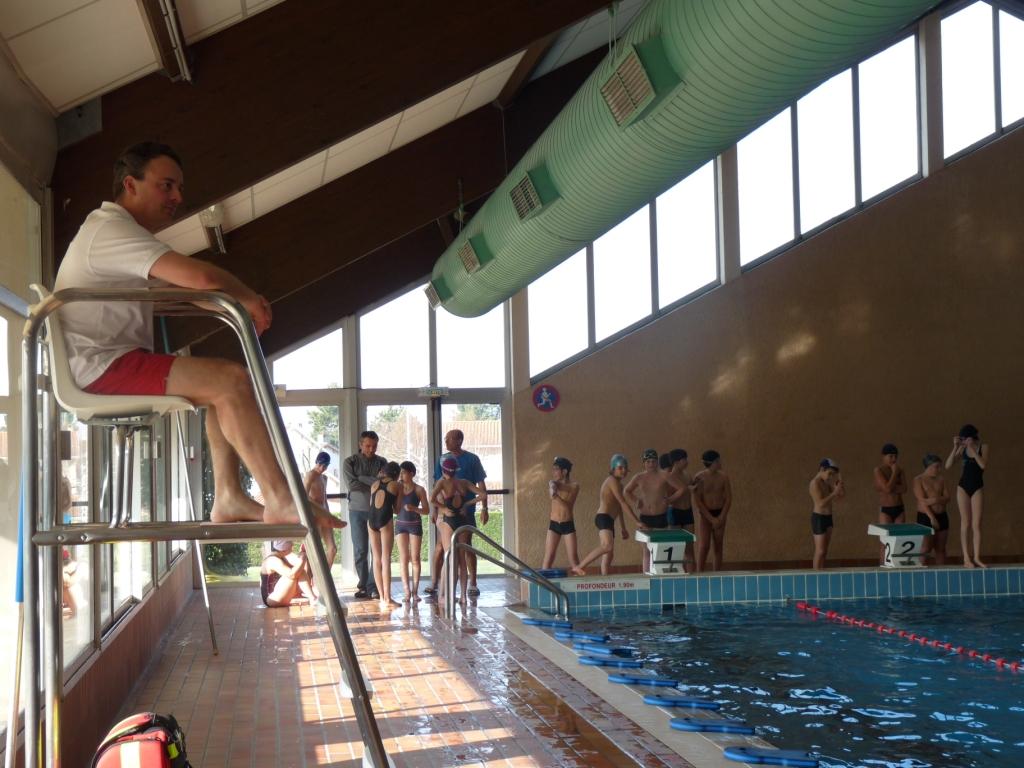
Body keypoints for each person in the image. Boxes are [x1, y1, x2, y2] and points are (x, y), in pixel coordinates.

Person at [54, 142, 343, 537]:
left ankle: (229, 494)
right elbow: (201, 278)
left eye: (179, 188)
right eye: (166, 185)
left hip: (107, 362)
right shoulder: (111, 229)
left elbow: (186, 291)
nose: (177, 197)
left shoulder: (119, 237)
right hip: (99, 368)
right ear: (130, 185)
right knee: (230, 380)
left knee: (225, 384)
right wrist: (246, 297)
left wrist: (235, 306)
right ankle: (279, 497)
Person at [426, 429, 488, 597]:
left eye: (449, 439)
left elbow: (482, 485)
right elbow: (436, 488)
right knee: (442, 548)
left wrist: (484, 508)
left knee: (465, 548)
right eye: (445, 439)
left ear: (459, 440)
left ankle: (471, 584)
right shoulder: (443, 459)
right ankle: (436, 583)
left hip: (463, 513)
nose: (445, 441)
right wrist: (436, 510)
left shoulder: (472, 459)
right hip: (448, 513)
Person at [624, 449, 687, 573]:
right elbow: (626, 491)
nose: (651, 464)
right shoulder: (639, 477)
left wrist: (670, 500)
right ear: (644, 463)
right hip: (645, 518)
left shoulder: (664, 475)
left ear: (657, 462)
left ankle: (659, 577)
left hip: (661, 517)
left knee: (659, 550)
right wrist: (635, 500)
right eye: (648, 462)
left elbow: (682, 488)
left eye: (653, 461)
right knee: (646, 551)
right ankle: (646, 578)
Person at [572, 454, 635, 576]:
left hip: (609, 520)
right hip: (603, 517)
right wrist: (636, 521)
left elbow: (619, 507)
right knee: (607, 546)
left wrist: (623, 528)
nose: (624, 471)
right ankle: (579, 567)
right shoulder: (611, 481)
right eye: (620, 468)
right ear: (613, 469)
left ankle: (606, 581)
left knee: (609, 555)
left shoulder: (619, 485)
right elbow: (623, 503)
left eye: (625, 468)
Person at [344, 431, 388, 599]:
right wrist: (373, 481)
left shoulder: (382, 462)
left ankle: (373, 586)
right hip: (356, 511)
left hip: (377, 511)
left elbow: (384, 484)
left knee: (377, 551)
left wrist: (362, 478)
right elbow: (352, 485)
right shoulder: (350, 462)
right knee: (360, 550)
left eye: (374, 446)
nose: (371, 449)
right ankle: (363, 585)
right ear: (360, 444)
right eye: (368, 446)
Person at [945, 423, 988, 568]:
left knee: (976, 524)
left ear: (972, 438)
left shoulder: (983, 447)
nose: (963, 441)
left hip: (977, 487)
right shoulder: (962, 449)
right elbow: (948, 465)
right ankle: (966, 558)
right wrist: (955, 447)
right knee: (965, 522)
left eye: (964, 439)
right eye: (961, 439)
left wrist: (973, 450)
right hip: (963, 487)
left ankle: (977, 557)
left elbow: (983, 465)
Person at [367, 462, 402, 609]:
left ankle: (381, 598)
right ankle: (387, 599)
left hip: (371, 521)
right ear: (397, 474)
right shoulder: (397, 485)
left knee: (376, 559)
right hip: (384, 519)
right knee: (385, 558)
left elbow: (371, 504)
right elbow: (397, 509)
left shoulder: (374, 484)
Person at [692, 450, 732, 572]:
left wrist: (722, 516)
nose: (720, 463)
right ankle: (700, 573)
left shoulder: (724, 477)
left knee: (718, 545)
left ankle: (717, 573)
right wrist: (711, 518)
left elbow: (729, 498)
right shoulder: (699, 477)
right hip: (706, 515)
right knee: (704, 546)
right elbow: (698, 501)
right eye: (718, 461)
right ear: (712, 462)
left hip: (719, 513)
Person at [395, 461, 429, 603]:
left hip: (414, 525)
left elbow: (426, 511)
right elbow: (393, 508)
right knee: (403, 558)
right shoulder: (397, 488)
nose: (401, 475)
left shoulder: (419, 490)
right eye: (400, 473)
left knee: (415, 558)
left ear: (412, 474)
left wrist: (414, 508)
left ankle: (415, 591)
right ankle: (407, 592)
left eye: (403, 472)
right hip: (400, 525)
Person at [541, 457, 580, 570]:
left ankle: (581, 580)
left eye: (556, 469)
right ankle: (543, 580)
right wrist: (552, 486)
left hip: (568, 525)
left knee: (573, 559)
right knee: (549, 556)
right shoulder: (554, 483)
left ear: (564, 471)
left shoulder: (574, 486)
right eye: (553, 469)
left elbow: (568, 507)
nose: (553, 472)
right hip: (554, 525)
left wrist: (556, 496)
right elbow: (552, 484)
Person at [304, 451, 342, 566]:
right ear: (316, 462)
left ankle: (325, 576)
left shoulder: (324, 478)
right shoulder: (310, 475)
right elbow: (303, 496)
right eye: (320, 464)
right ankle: (310, 576)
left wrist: (329, 515)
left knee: (332, 549)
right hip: (315, 516)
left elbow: (324, 499)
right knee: (315, 550)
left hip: (324, 515)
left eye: (325, 466)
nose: (322, 468)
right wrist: (317, 509)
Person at [873, 443, 907, 564]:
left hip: (899, 509)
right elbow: (887, 489)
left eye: (895, 456)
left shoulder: (900, 470)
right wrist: (894, 473)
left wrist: (890, 486)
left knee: (898, 541)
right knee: (884, 542)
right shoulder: (878, 470)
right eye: (891, 456)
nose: (894, 459)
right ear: (883, 456)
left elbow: (904, 489)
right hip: (885, 510)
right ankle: (883, 569)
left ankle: (896, 567)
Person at [914, 454, 950, 565]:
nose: (939, 469)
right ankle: (920, 573)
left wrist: (935, 499)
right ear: (929, 466)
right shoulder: (918, 480)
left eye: (939, 467)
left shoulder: (941, 479)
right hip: (925, 517)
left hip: (942, 515)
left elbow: (947, 498)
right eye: (936, 467)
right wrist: (932, 517)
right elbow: (922, 501)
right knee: (925, 549)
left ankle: (942, 573)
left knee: (941, 549)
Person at [809, 459, 844, 570]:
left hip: (828, 518)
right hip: (819, 518)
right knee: (820, 551)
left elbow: (840, 497)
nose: (830, 477)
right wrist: (834, 492)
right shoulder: (814, 483)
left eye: (832, 474)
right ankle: (816, 575)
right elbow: (820, 503)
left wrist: (839, 484)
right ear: (822, 469)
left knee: (824, 551)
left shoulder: (825, 483)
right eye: (829, 473)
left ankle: (821, 573)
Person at [665, 448, 696, 572]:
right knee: (675, 548)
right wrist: (685, 490)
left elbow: (692, 488)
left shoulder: (687, 475)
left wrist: (695, 487)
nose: (687, 461)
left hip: (688, 512)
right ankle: (676, 576)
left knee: (690, 548)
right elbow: (667, 500)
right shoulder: (670, 477)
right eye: (684, 459)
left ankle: (692, 576)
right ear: (676, 462)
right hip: (675, 512)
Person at [260, 540, 317, 607]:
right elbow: (292, 575)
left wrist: (302, 554)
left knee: (299, 569)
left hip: (276, 595)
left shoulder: (281, 556)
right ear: (284, 549)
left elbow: (299, 564)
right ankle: (313, 598)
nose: (293, 545)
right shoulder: (272, 560)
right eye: (291, 544)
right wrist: (302, 559)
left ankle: (312, 597)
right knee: (297, 571)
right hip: (271, 599)